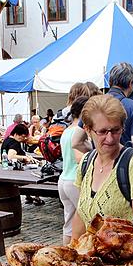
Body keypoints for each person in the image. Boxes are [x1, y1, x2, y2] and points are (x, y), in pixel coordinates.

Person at [71, 95, 133, 239]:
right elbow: (80, 215)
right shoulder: (87, 162)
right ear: (87, 130)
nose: (110, 138)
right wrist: (71, 250)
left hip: (123, 260)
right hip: (91, 259)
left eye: (116, 130)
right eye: (102, 132)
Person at [71, 62, 133, 154]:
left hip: (99, 165)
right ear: (131, 83)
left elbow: (76, 142)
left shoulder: (93, 105)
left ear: (110, 81)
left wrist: (96, 152)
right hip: (125, 166)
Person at [59, 95, 88, 244]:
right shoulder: (79, 132)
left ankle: (65, 252)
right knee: (85, 221)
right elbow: (78, 157)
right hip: (74, 181)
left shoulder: (66, 130)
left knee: (69, 222)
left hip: (63, 179)